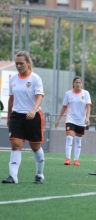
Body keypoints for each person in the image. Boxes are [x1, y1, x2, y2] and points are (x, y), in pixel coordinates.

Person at [2, 51, 45, 184]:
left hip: (33, 116)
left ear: (28, 63)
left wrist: (33, 110)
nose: (18, 66)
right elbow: (11, 99)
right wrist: (9, 117)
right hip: (17, 116)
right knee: (16, 145)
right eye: (16, 63)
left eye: (21, 63)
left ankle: (39, 174)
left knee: (35, 147)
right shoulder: (13, 79)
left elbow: (39, 97)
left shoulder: (35, 78)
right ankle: (13, 176)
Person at [55, 76, 92, 166]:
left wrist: (87, 118)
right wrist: (58, 119)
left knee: (78, 140)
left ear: (81, 84)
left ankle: (76, 160)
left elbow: (88, 106)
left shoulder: (85, 93)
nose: (78, 84)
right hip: (70, 119)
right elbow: (64, 107)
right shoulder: (68, 94)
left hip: (81, 120)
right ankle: (68, 159)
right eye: (76, 82)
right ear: (73, 84)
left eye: (80, 82)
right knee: (69, 138)